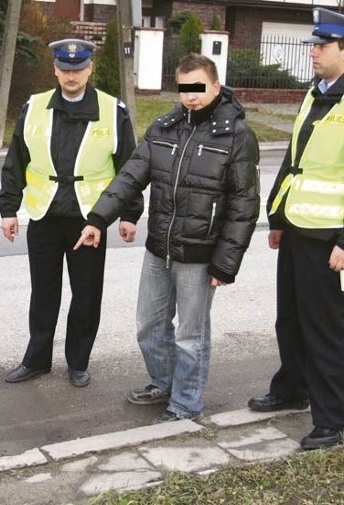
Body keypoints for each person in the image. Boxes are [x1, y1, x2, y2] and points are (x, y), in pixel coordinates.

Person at [75, 53, 260, 423]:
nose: (191, 96)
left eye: (199, 88)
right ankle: (164, 381)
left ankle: (186, 403)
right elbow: (130, 177)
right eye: (184, 88)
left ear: (215, 86)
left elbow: (244, 205)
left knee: (191, 335)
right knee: (149, 324)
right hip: (159, 247)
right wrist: (98, 219)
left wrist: (226, 263)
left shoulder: (237, 136)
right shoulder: (164, 128)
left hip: (199, 253)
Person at [247, 8, 344, 450]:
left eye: (321, 46)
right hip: (298, 230)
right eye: (313, 44)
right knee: (290, 319)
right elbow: (296, 160)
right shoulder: (317, 93)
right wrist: (277, 218)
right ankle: (293, 388)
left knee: (327, 329)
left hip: (332, 239)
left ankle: (332, 421)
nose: (313, 52)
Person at [0, 38, 143, 388]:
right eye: (65, 69)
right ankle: (36, 360)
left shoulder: (112, 110)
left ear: (89, 68)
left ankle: (78, 362)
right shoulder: (34, 106)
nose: (71, 76)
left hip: (88, 220)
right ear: (55, 70)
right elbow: (16, 160)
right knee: (43, 292)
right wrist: (8, 208)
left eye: (78, 69)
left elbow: (130, 169)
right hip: (45, 215)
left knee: (86, 294)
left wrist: (129, 214)